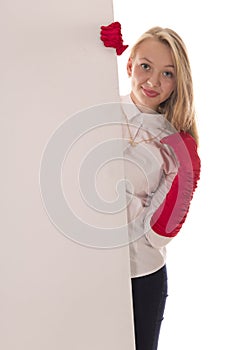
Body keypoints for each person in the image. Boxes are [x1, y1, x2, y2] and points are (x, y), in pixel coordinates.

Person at [100, 25, 201, 350]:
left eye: (167, 73)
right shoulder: (95, 105)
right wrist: (87, 52)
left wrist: (185, 169)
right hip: (82, 265)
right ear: (129, 65)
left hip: (140, 277)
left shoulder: (176, 144)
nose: (154, 81)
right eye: (145, 66)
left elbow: (159, 235)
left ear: (178, 80)